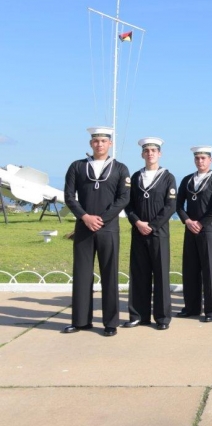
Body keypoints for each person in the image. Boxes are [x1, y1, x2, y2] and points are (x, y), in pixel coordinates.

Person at [63, 127, 131, 337]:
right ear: (90, 143)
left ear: (110, 144)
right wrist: (85, 217)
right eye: (96, 141)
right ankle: (81, 321)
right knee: (82, 275)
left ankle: (111, 323)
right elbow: (69, 196)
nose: (99, 144)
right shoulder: (77, 166)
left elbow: (124, 198)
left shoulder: (120, 168)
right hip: (83, 227)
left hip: (108, 228)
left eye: (103, 141)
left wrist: (102, 219)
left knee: (109, 274)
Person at [124, 137, 176, 331]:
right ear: (142, 154)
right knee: (139, 275)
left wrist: (152, 226)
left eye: (154, 150)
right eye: (147, 151)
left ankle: (162, 318)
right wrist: (137, 222)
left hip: (158, 233)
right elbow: (128, 204)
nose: (150, 153)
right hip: (138, 232)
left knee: (161, 276)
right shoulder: (136, 177)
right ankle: (138, 315)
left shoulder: (168, 177)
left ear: (159, 154)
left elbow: (171, 206)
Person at [175, 146, 212, 322]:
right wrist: (188, 221)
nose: (200, 161)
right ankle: (191, 307)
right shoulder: (188, 180)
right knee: (190, 269)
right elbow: (178, 204)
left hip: (208, 230)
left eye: (203, 158)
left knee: (210, 270)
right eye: (197, 158)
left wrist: (201, 223)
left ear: (210, 160)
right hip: (190, 229)